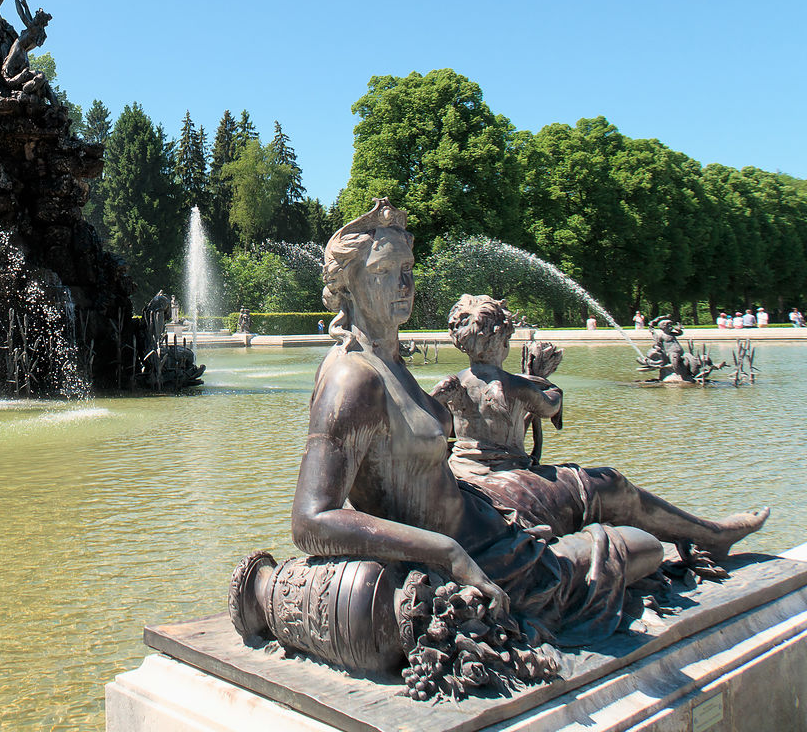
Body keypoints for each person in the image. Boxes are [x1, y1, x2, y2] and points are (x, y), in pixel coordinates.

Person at [293, 198, 666, 645]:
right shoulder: (352, 377)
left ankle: (714, 534)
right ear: (348, 286)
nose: (404, 284)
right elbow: (311, 520)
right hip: (484, 555)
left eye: (408, 267)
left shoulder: (387, 358)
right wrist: (447, 553)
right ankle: (706, 537)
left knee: (603, 486)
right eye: (383, 272)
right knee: (644, 545)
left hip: (486, 512)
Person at [438, 294, 765, 551]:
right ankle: (711, 535)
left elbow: (437, 423)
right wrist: (544, 382)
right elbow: (550, 408)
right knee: (609, 481)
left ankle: (705, 534)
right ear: (499, 338)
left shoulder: (453, 382)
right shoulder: (515, 385)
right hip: (508, 477)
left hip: (462, 472)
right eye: (508, 339)